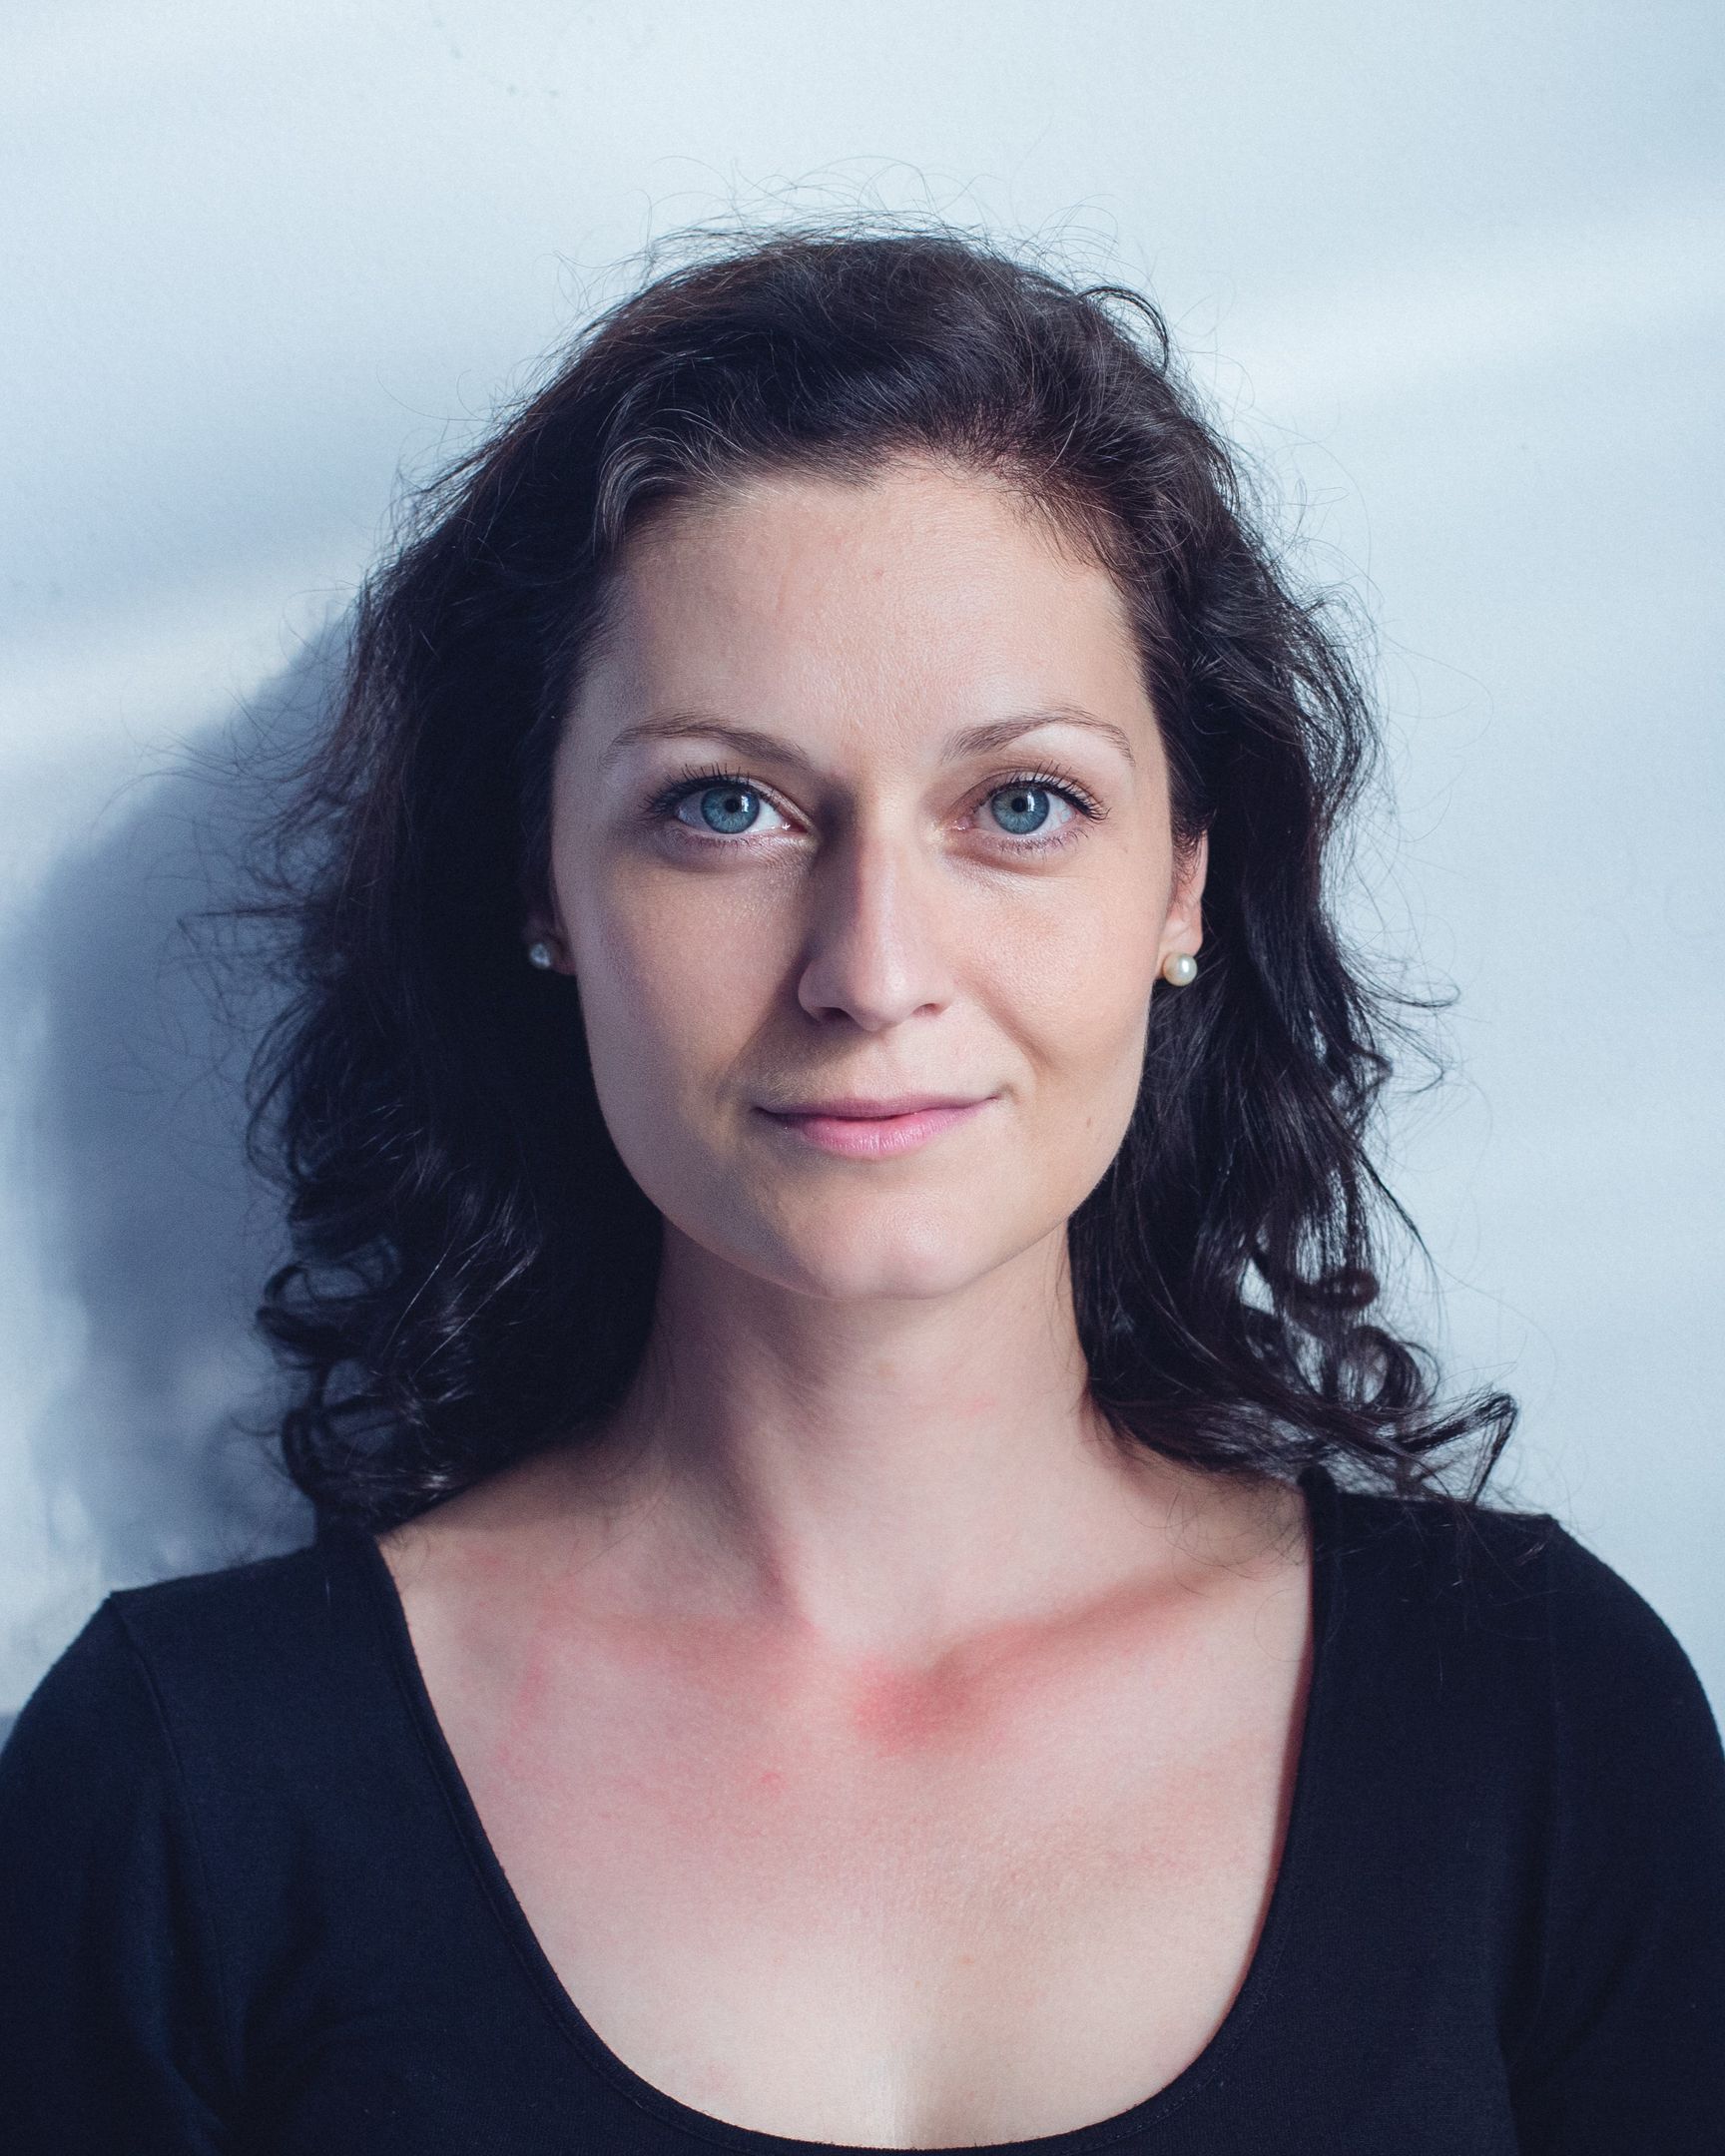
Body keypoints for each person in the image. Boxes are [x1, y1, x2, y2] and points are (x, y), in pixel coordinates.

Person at [1, 222, 1721, 2155]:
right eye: (724, 807)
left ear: (1182, 884)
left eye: (1021, 805)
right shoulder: (183, 1790)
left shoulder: (1534, 1721)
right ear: (538, 883)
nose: (874, 969)